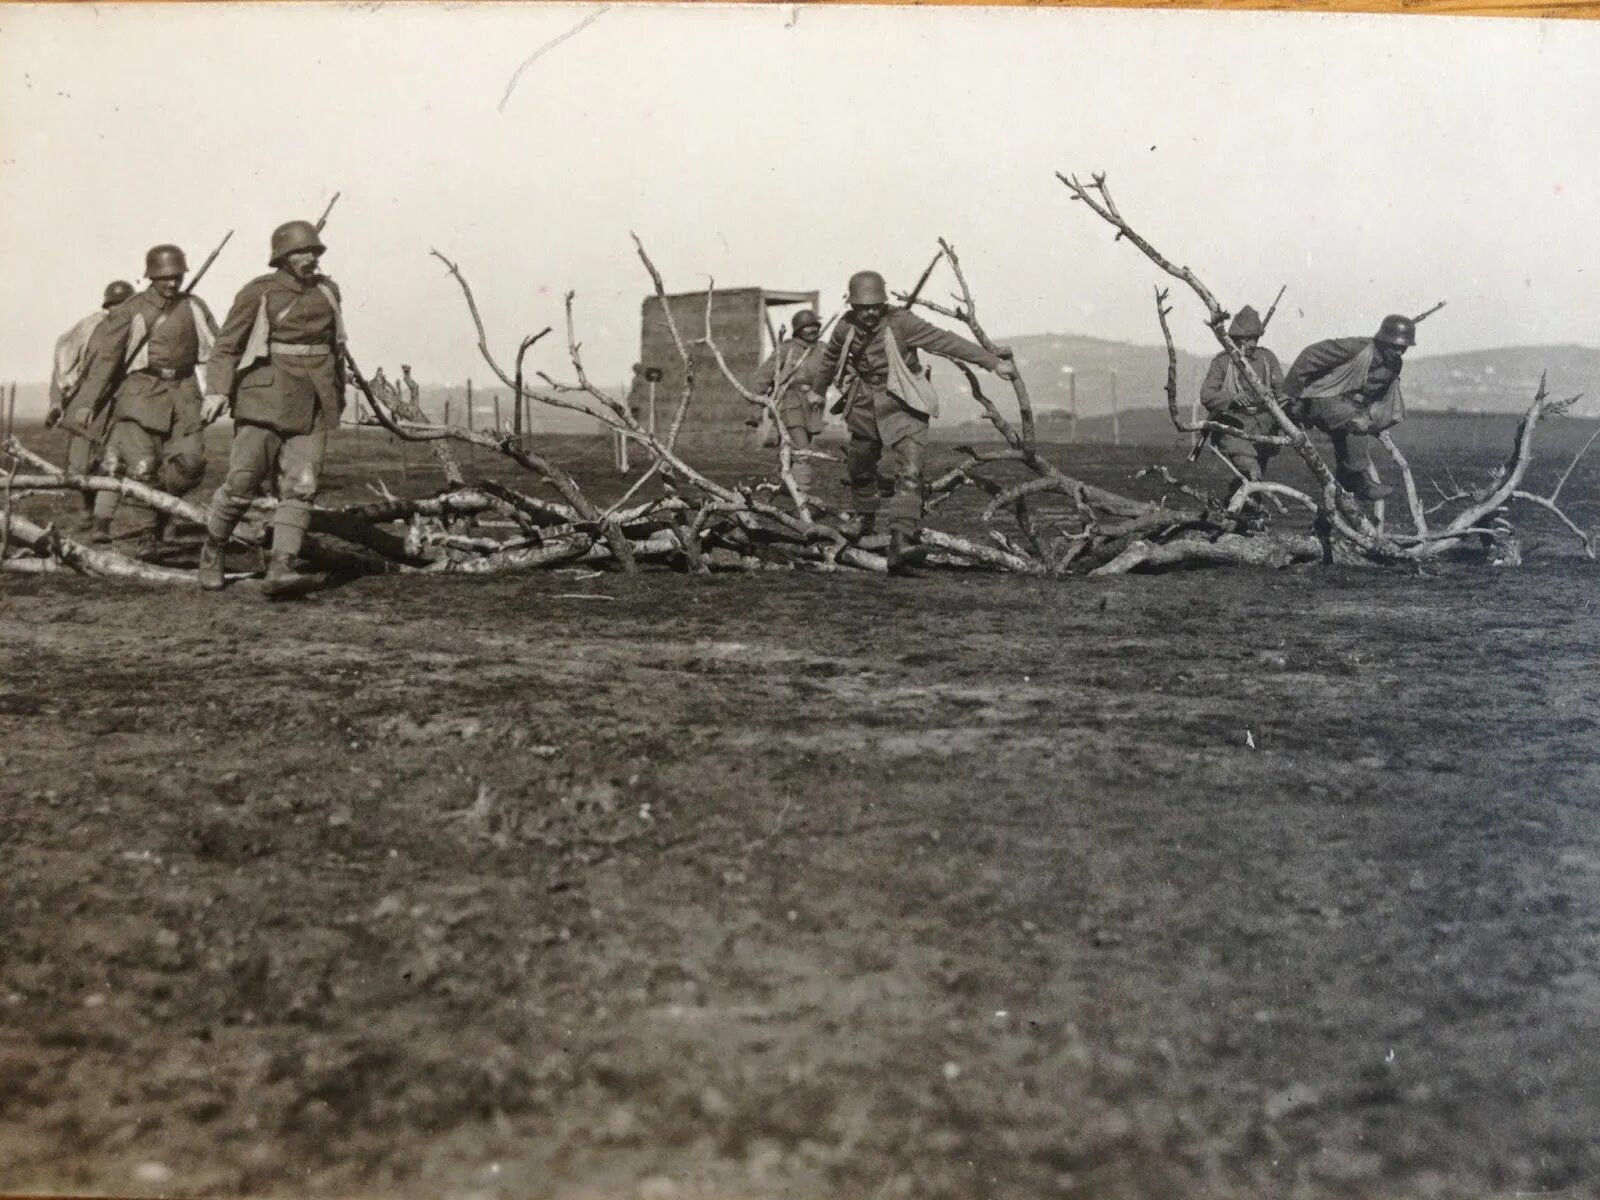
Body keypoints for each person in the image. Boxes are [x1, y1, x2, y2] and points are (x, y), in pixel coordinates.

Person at [805, 270, 1017, 571]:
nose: (868, 313)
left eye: (873, 306)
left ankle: (901, 539)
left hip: (905, 401)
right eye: (861, 307)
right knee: (860, 464)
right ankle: (864, 518)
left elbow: (946, 341)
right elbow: (829, 360)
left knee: (911, 471)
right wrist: (817, 391)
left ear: (882, 302)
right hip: (863, 402)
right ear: (853, 306)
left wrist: (992, 362)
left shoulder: (902, 323)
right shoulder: (844, 328)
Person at [198, 219, 348, 597]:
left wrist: (337, 397)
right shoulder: (259, 292)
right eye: (302, 252)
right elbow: (227, 346)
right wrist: (216, 391)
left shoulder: (329, 291)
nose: (311, 258)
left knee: (302, 486)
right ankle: (213, 548)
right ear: (282, 257)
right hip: (264, 398)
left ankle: (281, 568)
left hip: (313, 401)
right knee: (242, 482)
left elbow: (336, 349)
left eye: (315, 251)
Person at [71, 247, 216, 556]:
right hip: (141, 395)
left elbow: (217, 350)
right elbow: (106, 360)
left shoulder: (194, 306)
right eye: (165, 278)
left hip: (185, 394)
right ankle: (149, 533)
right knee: (143, 466)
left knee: (192, 463)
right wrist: (88, 403)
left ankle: (163, 509)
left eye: (177, 277)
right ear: (151, 276)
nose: (172, 284)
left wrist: (219, 390)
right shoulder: (132, 309)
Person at [1283, 315, 1414, 502]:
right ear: (1384, 341)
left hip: (1347, 409)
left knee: (1347, 460)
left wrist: (1373, 418)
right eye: (1396, 346)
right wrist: (1290, 397)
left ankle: (1324, 524)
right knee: (1355, 422)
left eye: (1404, 347)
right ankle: (1361, 479)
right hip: (1318, 399)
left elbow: (1379, 392)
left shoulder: (1394, 364)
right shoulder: (1356, 348)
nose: (1400, 352)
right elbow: (1309, 355)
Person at [46, 279, 135, 524]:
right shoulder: (88, 330)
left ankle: (102, 521)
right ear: (107, 306)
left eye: (125, 305)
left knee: (113, 464)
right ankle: (88, 506)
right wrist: (56, 402)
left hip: (119, 406)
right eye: (115, 305)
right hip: (85, 409)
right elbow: (63, 368)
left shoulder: (139, 333)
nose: (119, 310)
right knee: (80, 467)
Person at [1197, 305, 1286, 502]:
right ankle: (1248, 518)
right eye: (1247, 339)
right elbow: (1207, 395)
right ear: (1236, 339)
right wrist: (1231, 398)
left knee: (1251, 479)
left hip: (1263, 428)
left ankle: (1238, 519)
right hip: (1233, 427)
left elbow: (1282, 393)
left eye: (1256, 338)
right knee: (1252, 472)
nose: (1252, 343)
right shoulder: (1223, 362)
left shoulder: (1267, 358)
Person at [749, 308, 827, 491]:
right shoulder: (786, 349)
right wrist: (755, 407)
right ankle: (803, 498)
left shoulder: (822, 349)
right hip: (789, 404)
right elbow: (762, 377)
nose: (812, 330)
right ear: (798, 329)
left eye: (815, 326)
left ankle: (783, 484)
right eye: (807, 327)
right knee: (802, 452)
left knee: (793, 450)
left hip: (812, 407)